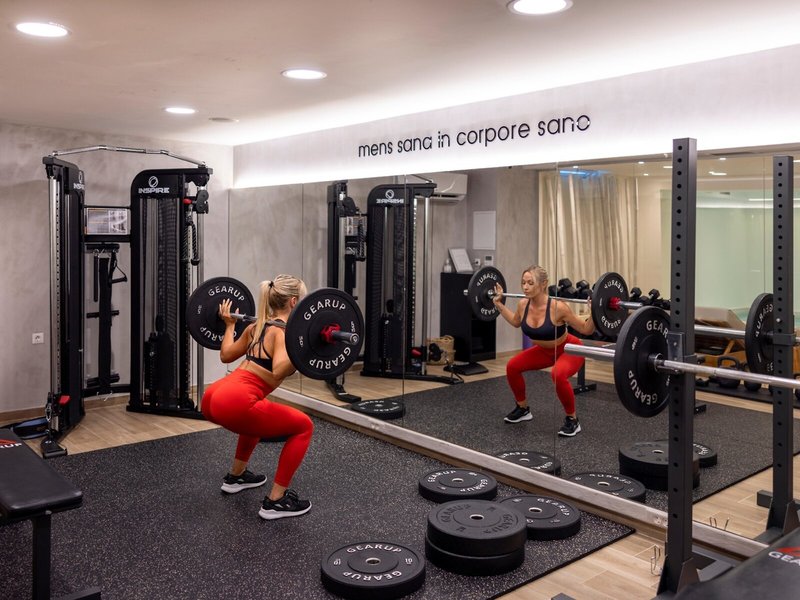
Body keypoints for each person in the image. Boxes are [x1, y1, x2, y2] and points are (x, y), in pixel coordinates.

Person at [201, 274, 314, 519]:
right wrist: (307, 347)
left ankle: (236, 476)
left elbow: (226, 355)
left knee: (257, 413)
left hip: (214, 396)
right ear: (294, 302)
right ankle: (276, 501)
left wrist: (229, 325)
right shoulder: (283, 333)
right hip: (236, 401)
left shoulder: (256, 327)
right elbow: (279, 369)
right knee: (304, 426)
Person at [492, 265, 595, 436]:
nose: (525, 287)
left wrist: (595, 312)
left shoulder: (558, 308)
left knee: (557, 374)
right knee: (512, 366)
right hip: (544, 351)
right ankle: (523, 409)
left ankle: (572, 419)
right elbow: (516, 322)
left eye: (530, 283)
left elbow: (586, 329)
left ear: (543, 284)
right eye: (523, 283)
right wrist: (498, 304)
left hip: (568, 349)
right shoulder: (523, 305)